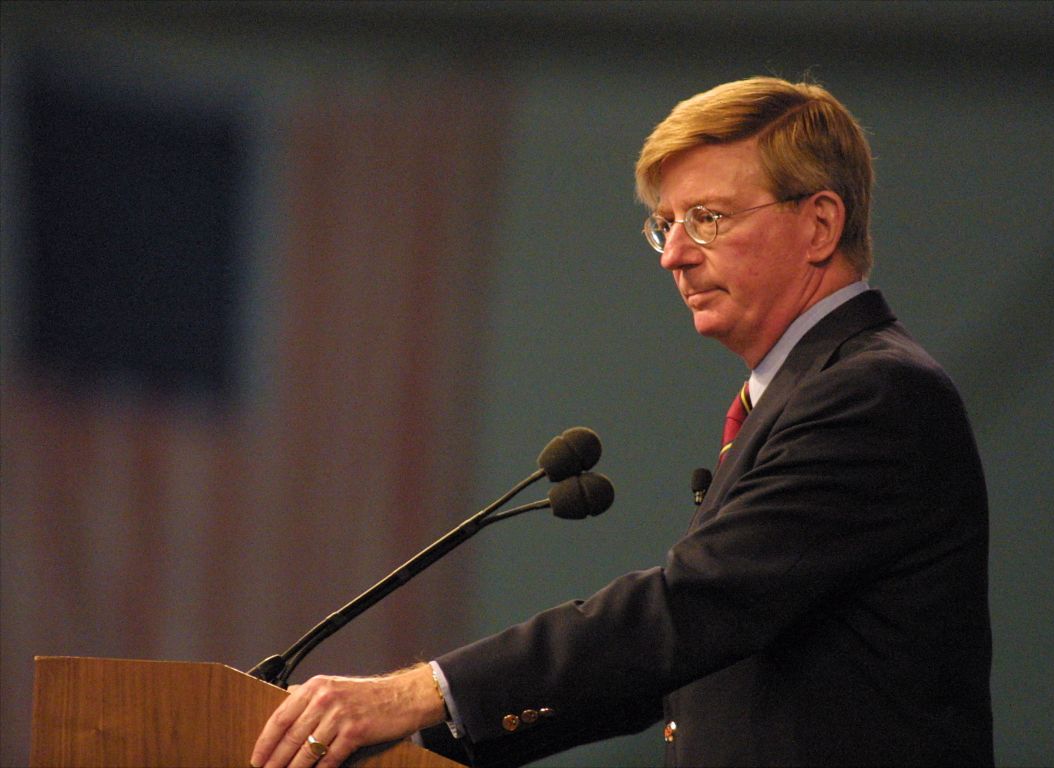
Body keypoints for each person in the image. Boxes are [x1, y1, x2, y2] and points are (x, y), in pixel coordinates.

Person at [251, 76, 994, 768]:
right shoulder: (801, 397)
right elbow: (669, 673)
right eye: (664, 225)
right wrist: (415, 734)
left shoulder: (873, 394)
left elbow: (692, 608)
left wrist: (420, 691)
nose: (673, 255)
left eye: (706, 219)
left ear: (820, 222)